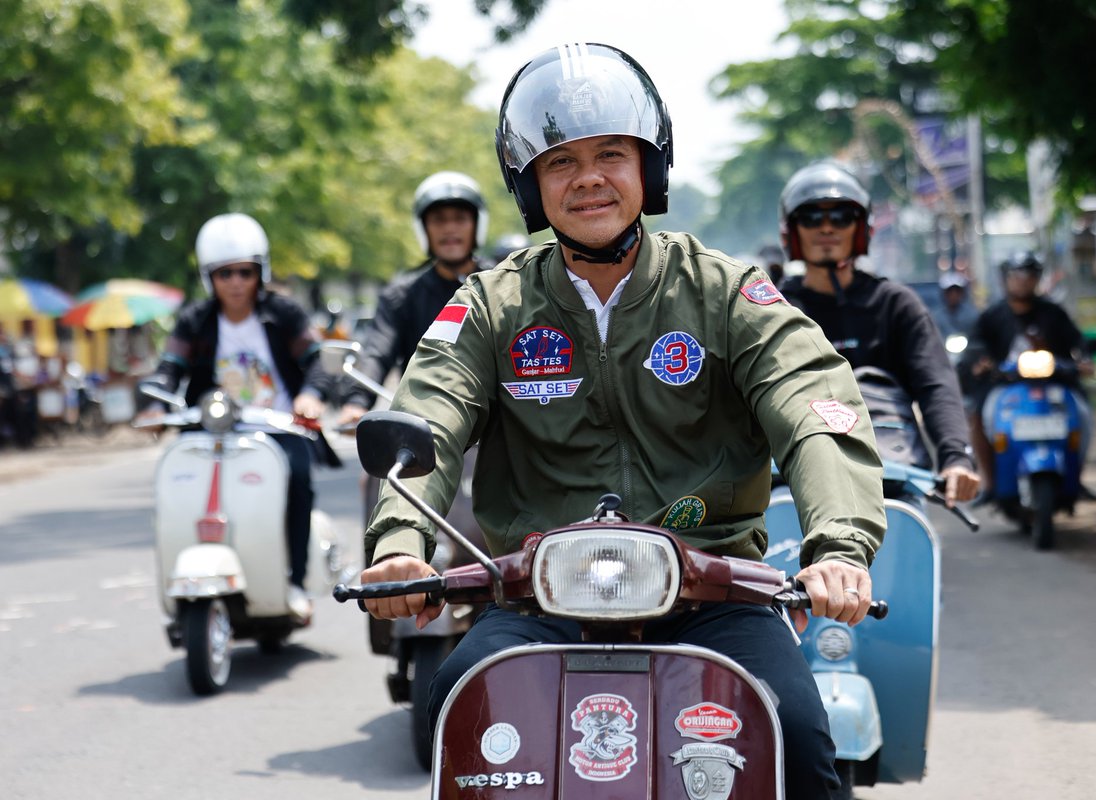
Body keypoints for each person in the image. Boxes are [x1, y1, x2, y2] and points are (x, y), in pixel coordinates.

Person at [360, 43, 888, 798]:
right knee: (455, 708)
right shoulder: (488, 306)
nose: (589, 179)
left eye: (611, 153)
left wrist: (839, 545)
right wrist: (402, 546)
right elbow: (429, 416)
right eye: (559, 162)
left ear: (651, 166)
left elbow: (814, 405)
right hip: (540, 602)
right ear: (529, 187)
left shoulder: (726, 292)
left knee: (799, 739)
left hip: (715, 598)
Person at [136, 212, 335, 619]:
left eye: (245, 272)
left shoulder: (285, 313)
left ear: (260, 272)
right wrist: (155, 405)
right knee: (180, 483)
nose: (236, 282)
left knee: (298, 478)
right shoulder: (195, 319)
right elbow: (168, 367)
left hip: (277, 428)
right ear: (209, 277)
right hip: (209, 430)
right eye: (224, 273)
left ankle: (295, 581)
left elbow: (316, 363)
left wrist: (310, 397)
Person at [777, 161, 980, 506]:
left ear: (861, 228)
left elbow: (935, 385)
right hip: (791, 478)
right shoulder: (772, 307)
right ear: (792, 232)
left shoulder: (897, 304)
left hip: (891, 475)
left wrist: (955, 457)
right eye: (812, 218)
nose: (826, 228)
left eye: (841, 217)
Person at [336, 171, 490, 426]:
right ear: (424, 228)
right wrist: (356, 401)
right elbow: (377, 351)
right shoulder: (401, 295)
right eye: (438, 220)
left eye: (460, 218)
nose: (449, 228)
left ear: (477, 224)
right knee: (375, 467)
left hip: (498, 427)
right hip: (427, 425)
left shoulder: (503, 283)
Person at [961, 251, 1092, 500]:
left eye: (1029, 275)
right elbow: (975, 346)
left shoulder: (1053, 313)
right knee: (980, 416)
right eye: (1017, 275)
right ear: (1006, 279)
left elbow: (1078, 340)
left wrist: (1083, 360)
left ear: (1038, 279)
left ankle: (1076, 477)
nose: (1023, 280)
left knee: (1083, 415)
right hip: (1005, 386)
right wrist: (980, 362)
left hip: (1053, 384)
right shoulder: (992, 316)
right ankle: (989, 484)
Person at [931, 269, 979, 339]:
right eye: (950, 292)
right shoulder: (935, 317)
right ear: (944, 293)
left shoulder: (972, 315)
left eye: (957, 291)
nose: (953, 295)